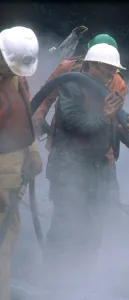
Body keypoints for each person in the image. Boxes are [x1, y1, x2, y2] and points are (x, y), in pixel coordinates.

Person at [44, 43, 129, 287]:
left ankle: (82, 279)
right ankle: (52, 280)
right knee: (66, 223)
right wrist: (106, 116)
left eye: (114, 69)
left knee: (94, 223)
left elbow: (112, 125)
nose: (112, 74)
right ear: (93, 65)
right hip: (69, 168)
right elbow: (75, 124)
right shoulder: (72, 85)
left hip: (96, 169)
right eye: (108, 68)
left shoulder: (106, 89)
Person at [32, 33, 129, 151]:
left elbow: (116, 117)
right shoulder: (68, 68)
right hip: (62, 138)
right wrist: (38, 116)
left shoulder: (118, 84)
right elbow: (47, 93)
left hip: (99, 147)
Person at [0, 26, 42, 300]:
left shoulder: (16, 79)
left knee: (6, 246)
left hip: (13, 178)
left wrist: (33, 151)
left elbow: (24, 117)